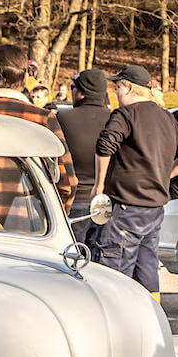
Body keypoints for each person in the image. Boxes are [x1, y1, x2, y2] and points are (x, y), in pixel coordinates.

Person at [91, 64, 178, 301]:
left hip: (125, 206)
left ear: (128, 88)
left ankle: (114, 323)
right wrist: (163, 176)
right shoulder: (167, 118)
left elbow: (104, 146)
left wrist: (98, 187)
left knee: (112, 271)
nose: (116, 94)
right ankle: (151, 318)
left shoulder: (124, 114)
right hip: (154, 209)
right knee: (147, 268)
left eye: (117, 87)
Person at [0, 44, 76, 221]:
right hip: (29, 227)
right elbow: (67, 182)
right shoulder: (42, 118)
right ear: (25, 78)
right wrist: (55, 217)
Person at [57, 68, 112, 242]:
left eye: (73, 87)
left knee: (71, 257)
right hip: (106, 201)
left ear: (80, 93)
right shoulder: (115, 120)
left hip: (72, 200)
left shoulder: (63, 117)